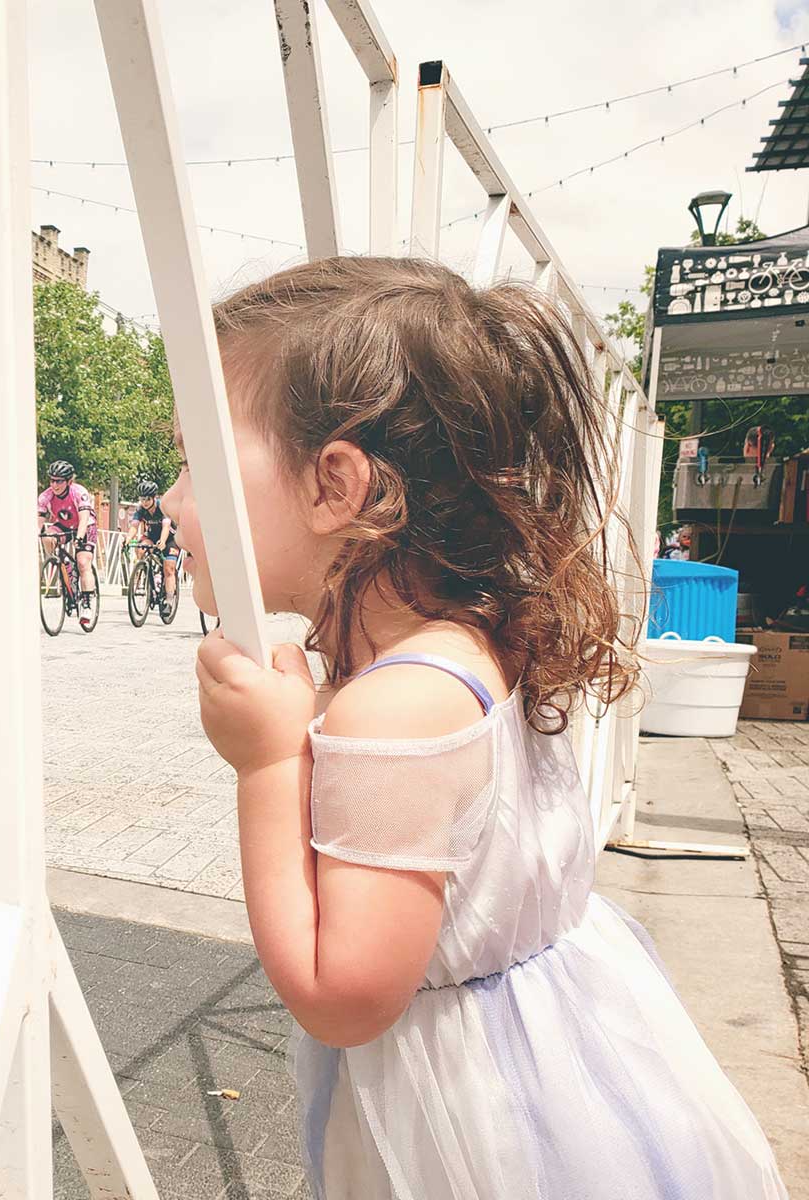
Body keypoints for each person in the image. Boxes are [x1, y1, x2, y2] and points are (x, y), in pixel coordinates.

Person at [166, 256, 786, 1199]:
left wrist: (264, 765)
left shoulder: (397, 702)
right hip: (551, 1060)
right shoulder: (454, 646)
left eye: (193, 461)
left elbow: (343, 996)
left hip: (474, 1122)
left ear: (338, 485)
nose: (170, 502)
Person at [37, 460, 97, 616]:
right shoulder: (46, 496)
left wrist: (79, 537)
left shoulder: (78, 492)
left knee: (83, 562)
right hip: (64, 524)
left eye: (59, 481)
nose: (54, 485)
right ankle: (60, 565)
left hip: (85, 525)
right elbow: (38, 523)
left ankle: (87, 603)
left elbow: (84, 519)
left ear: (69, 481)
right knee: (47, 536)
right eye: (52, 480)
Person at [126, 479, 177, 602]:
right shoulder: (140, 510)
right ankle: (142, 577)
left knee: (169, 568)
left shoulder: (163, 507)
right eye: (142, 499)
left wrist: (163, 541)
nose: (144, 502)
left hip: (169, 538)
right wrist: (127, 540)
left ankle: (169, 600)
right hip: (151, 536)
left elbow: (166, 527)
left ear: (154, 498)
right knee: (141, 548)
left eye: (147, 499)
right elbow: (134, 526)